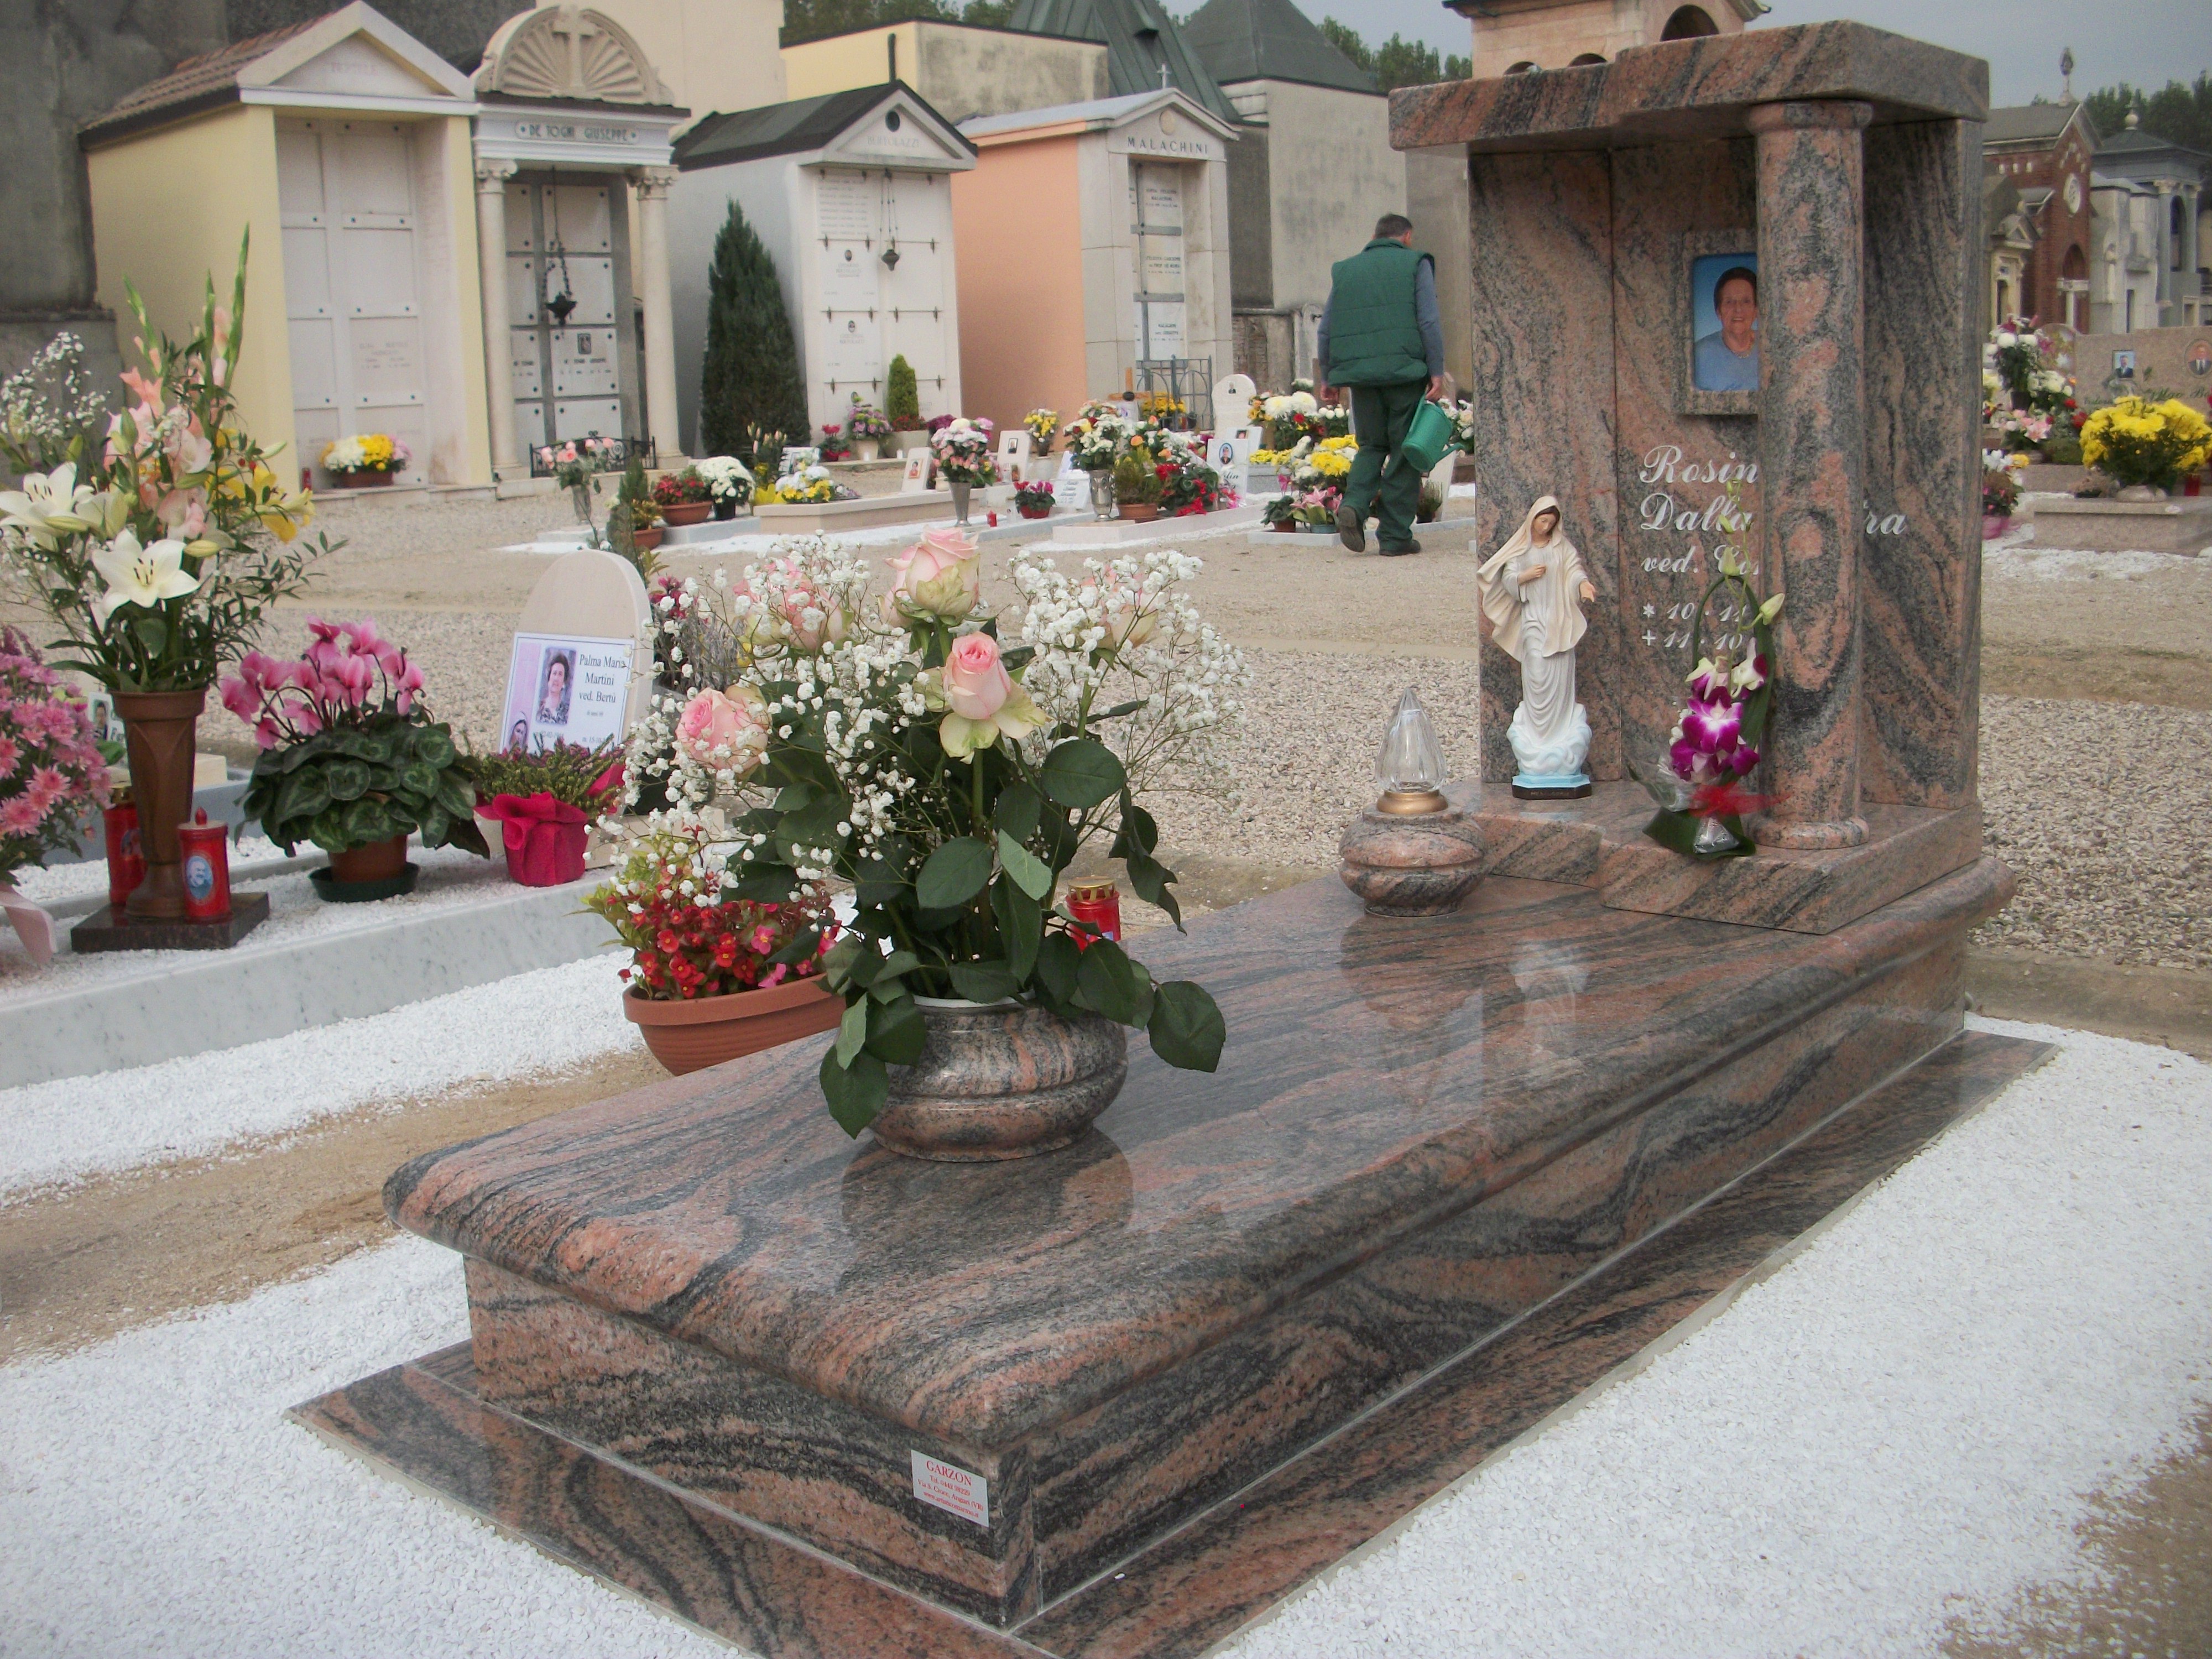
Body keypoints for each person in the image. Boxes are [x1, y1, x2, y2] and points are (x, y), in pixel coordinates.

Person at [1318, 212, 1445, 556]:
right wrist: (1436, 370)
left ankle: (1354, 505)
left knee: (1372, 446)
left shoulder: (1346, 270)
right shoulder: (1415, 262)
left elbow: (1326, 328)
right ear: (1407, 237)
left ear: (1375, 237)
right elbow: (1428, 320)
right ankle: (1394, 536)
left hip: (1361, 377)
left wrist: (1329, 376)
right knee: (1404, 451)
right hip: (1405, 373)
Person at [1477, 495, 1597, 793]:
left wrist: (1583, 585)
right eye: (1543, 521)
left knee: (1560, 678)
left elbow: (1574, 571)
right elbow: (1508, 579)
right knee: (1537, 676)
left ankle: (1560, 740)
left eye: (1551, 522)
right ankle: (1537, 739)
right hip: (1534, 621)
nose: (1546, 527)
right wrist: (1525, 576)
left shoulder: (1561, 548)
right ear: (1533, 519)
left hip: (1559, 622)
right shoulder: (1522, 550)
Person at [1694, 265, 1760, 392]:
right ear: (1719, 311)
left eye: (1746, 301)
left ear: (1756, 310)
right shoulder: (1699, 355)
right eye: (1730, 302)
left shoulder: (1770, 347)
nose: (1738, 309)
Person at [536, 653, 572, 725]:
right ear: (549, 678)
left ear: (564, 682)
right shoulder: (537, 708)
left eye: (560, 674)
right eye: (554, 673)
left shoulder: (568, 713)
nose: (556, 678)